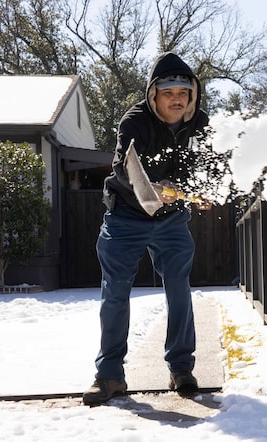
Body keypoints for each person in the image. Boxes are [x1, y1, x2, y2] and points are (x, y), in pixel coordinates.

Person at [83, 52, 210, 406]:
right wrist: (152, 188)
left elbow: (207, 163)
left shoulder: (198, 122)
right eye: (168, 92)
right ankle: (109, 376)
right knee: (116, 292)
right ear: (153, 94)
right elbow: (125, 167)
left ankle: (181, 368)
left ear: (192, 95)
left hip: (171, 221)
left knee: (179, 288)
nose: (176, 99)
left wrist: (205, 188)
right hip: (126, 216)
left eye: (183, 93)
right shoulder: (134, 121)